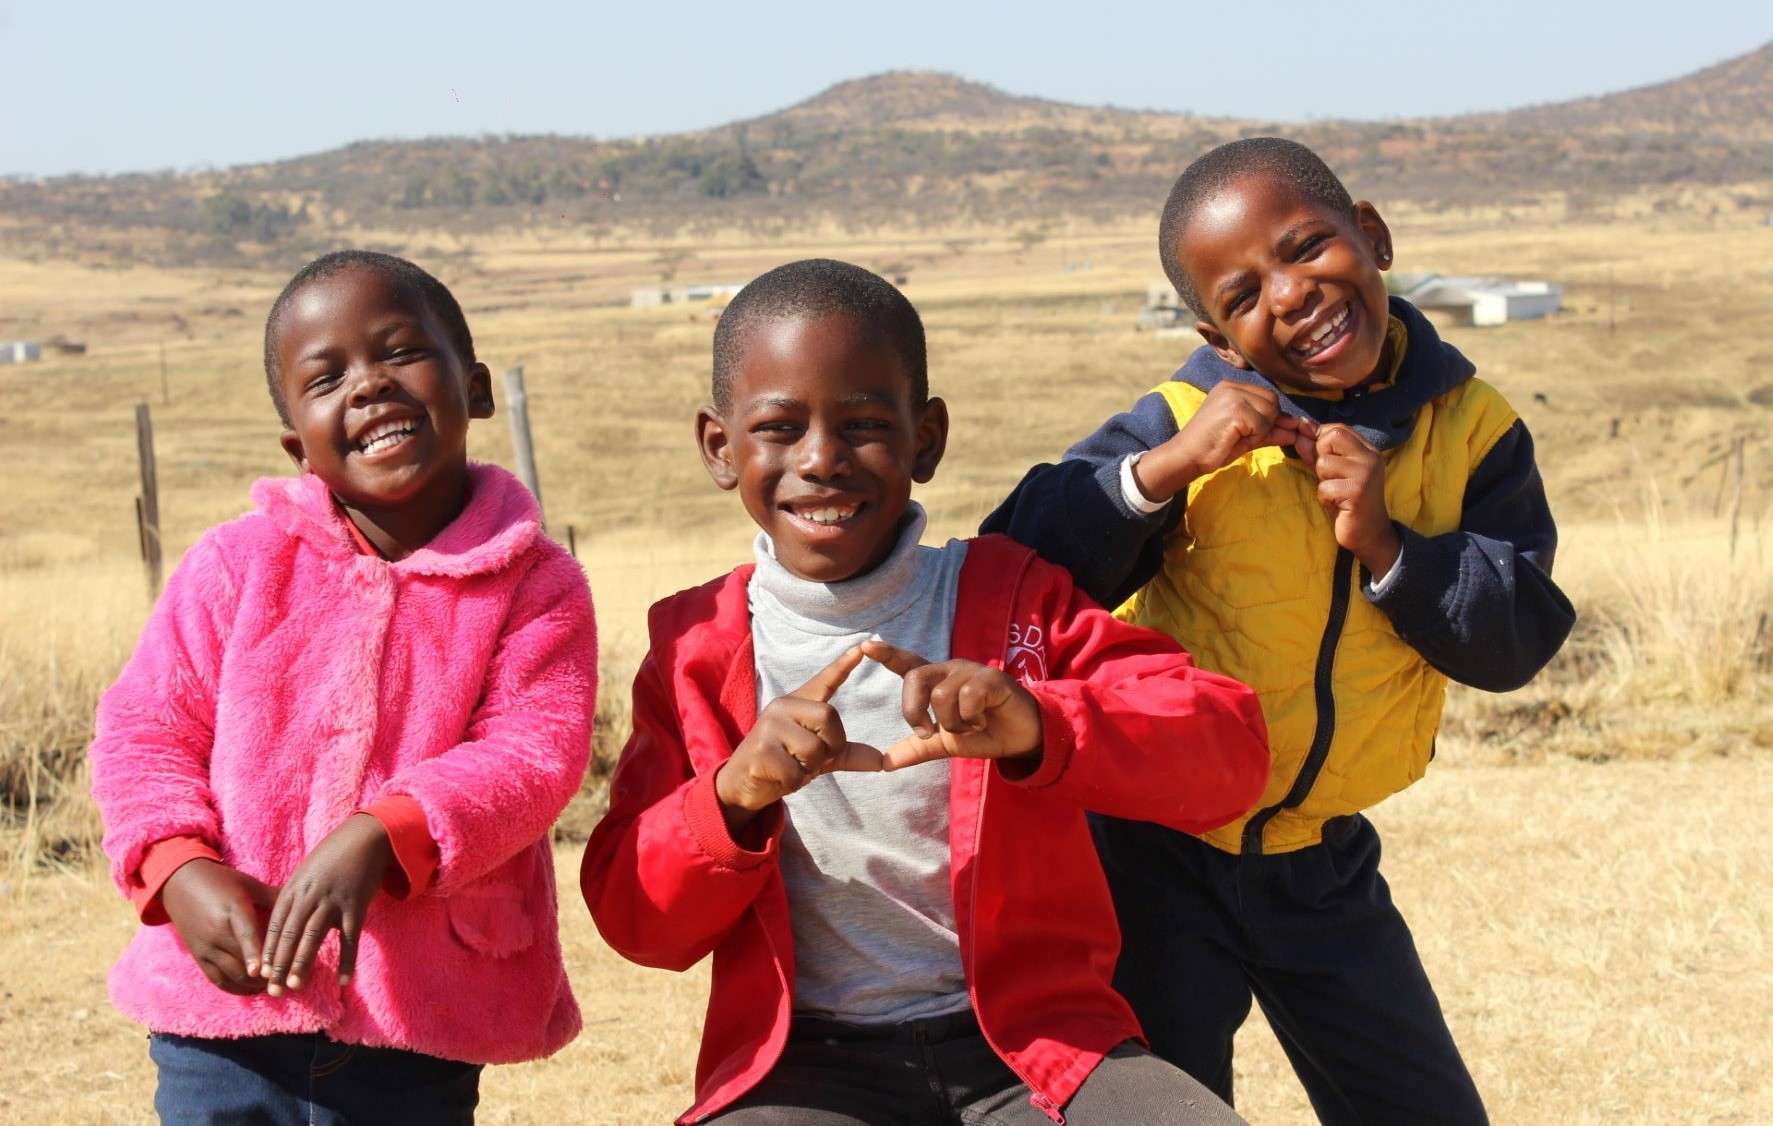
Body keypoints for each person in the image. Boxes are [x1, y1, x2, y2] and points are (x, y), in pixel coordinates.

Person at [581, 258, 1270, 1125]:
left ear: (927, 437)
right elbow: (636, 923)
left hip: (1037, 1050)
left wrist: (1037, 724)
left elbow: (1228, 755)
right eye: (779, 428)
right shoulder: (691, 650)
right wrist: (732, 795)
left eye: (864, 424)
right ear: (721, 448)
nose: (822, 460)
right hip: (805, 1068)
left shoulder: (1017, 602)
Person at [983, 138, 1577, 1124]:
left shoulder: (1473, 429)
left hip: (1324, 867)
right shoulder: (1185, 422)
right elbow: (1015, 564)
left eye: (1307, 248)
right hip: (1149, 859)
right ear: (1217, 339)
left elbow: (1515, 637)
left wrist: (1390, 544)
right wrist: (1168, 467)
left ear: (1374, 236)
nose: (1292, 294)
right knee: (1167, 1109)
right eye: (1245, 294)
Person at [89, 250, 597, 1125]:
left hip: (418, 1020)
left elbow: (534, 754)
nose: (369, 387)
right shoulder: (234, 567)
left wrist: (382, 834)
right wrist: (177, 868)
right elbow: (144, 732)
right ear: (298, 444)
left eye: (400, 353)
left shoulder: (535, 584)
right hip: (226, 1018)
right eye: (327, 378)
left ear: (474, 389)